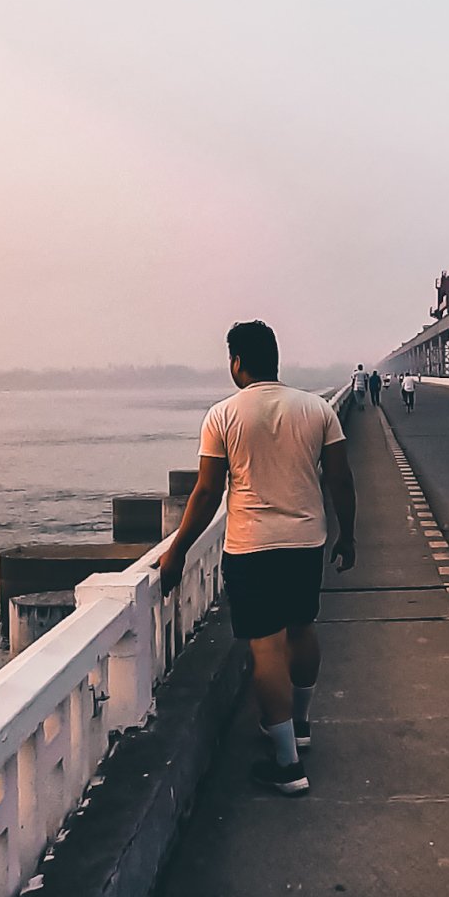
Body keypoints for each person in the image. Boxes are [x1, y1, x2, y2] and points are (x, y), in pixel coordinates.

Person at [158, 320, 356, 797]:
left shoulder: (222, 415)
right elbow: (340, 478)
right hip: (306, 541)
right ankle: (299, 725)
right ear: (275, 359)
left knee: (266, 647)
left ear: (237, 362)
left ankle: (287, 765)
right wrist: (348, 535)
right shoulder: (316, 410)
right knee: (302, 629)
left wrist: (177, 550)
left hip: (252, 547)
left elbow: (207, 493)